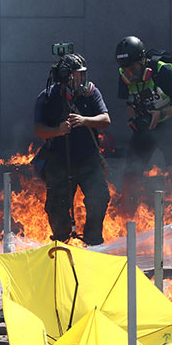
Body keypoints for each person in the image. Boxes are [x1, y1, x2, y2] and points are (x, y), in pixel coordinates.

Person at [34, 53, 111, 246]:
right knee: (56, 207)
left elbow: (105, 120)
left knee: (99, 198)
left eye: (83, 75)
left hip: (88, 159)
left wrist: (85, 120)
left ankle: (93, 241)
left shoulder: (91, 92)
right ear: (65, 77)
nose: (82, 80)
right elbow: (38, 130)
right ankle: (62, 241)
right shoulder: (47, 97)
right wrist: (57, 131)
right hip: (58, 161)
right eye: (77, 76)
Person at [115, 36, 172, 218]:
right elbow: (129, 101)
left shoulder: (162, 71)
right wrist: (132, 119)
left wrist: (163, 114)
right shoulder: (124, 75)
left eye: (133, 67)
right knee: (130, 175)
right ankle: (127, 219)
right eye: (126, 68)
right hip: (145, 126)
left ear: (143, 59)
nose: (130, 73)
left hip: (168, 123)